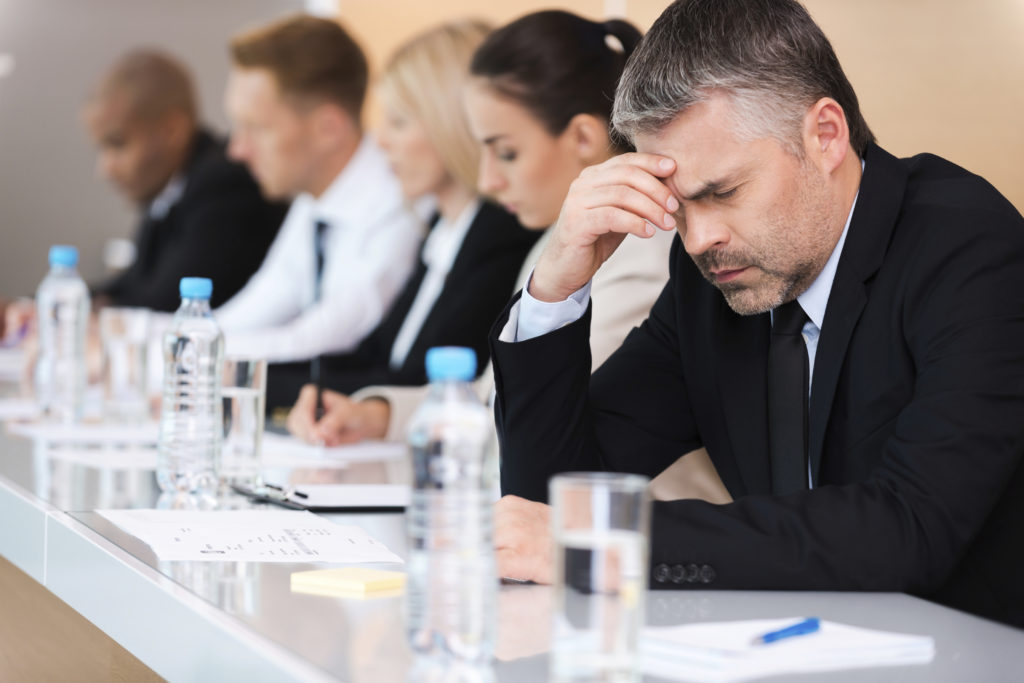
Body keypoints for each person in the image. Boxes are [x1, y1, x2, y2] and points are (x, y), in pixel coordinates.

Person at [489, 0, 1024, 627]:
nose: (697, 238)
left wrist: (616, 544)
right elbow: (549, 503)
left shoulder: (969, 249)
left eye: (723, 192)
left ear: (824, 135)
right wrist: (557, 283)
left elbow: (909, 529)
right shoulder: (712, 278)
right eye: (678, 206)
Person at [288, 10, 675, 448]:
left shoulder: (647, 247)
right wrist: (376, 414)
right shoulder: (558, 243)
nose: (488, 181)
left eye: (506, 153)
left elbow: (537, 415)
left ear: (584, 139)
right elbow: (492, 395)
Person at [263, 20, 539, 410]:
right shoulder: (442, 231)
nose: (381, 140)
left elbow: (417, 382)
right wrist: (261, 379)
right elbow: (376, 357)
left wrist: (261, 383)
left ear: (452, 124)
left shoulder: (499, 234)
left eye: (399, 122)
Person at [216, 15, 421, 363]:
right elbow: (252, 311)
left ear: (329, 128)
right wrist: (138, 335)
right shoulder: (315, 201)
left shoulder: (400, 201)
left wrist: (185, 353)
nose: (237, 149)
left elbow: (317, 339)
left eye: (257, 128)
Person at [88, 50, 287, 311]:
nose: (105, 169)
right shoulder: (170, 189)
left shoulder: (224, 186)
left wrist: (92, 311)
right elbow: (134, 283)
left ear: (172, 130)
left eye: (117, 145)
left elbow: (165, 304)